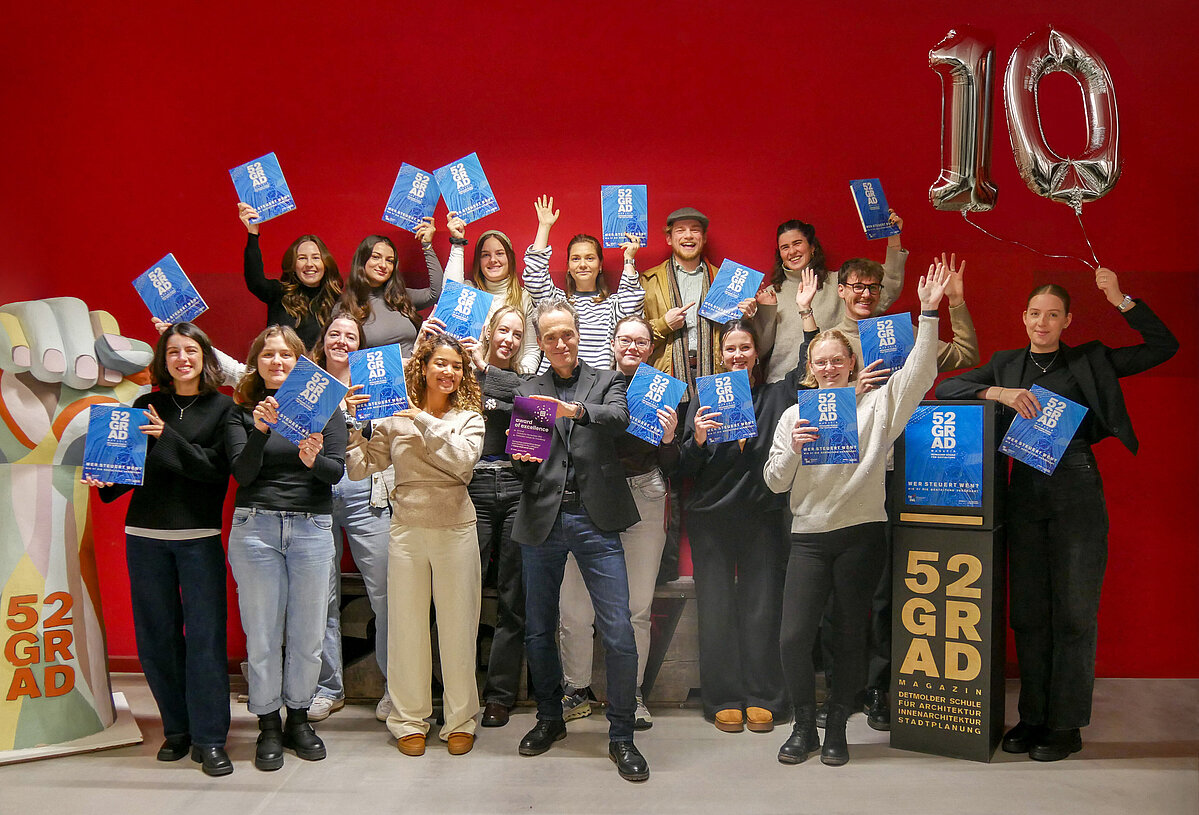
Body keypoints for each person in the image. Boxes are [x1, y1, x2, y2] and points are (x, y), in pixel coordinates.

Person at [935, 268, 1177, 762]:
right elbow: (949, 389)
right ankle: (1032, 716)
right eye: (1035, 314)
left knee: (1072, 611)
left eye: (1053, 315)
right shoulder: (1005, 364)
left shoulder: (1090, 360)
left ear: (1067, 320)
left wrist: (1121, 299)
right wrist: (996, 393)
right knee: (1027, 612)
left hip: (1075, 488)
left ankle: (1065, 724)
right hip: (1022, 491)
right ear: (1023, 319)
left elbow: (1162, 346)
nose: (1042, 323)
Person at [763, 263, 951, 767]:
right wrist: (795, 451)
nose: (828, 369)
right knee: (793, 637)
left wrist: (929, 313)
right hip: (808, 538)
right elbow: (774, 482)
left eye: (836, 361)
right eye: (819, 362)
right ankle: (804, 724)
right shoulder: (793, 415)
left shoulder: (876, 408)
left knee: (851, 634)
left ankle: (837, 727)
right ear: (811, 368)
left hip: (861, 536)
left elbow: (921, 373)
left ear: (851, 364)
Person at [821, 252, 978, 730]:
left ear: (881, 292)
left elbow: (966, 355)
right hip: (847, 478)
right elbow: (813, 411)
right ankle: (839, 690)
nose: (865, 294)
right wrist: (854, 393)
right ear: (842, 291)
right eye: (856, 287)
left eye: (873, 287)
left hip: (899, 473)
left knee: (891, 589)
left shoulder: (902, 335)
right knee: (841, 593)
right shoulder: (829, 344)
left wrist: (955, 302)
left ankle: (881, 689)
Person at [509, 299, 649, 782]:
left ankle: (622, 735)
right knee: (538, 628)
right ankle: (550, 719)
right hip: (542, 520)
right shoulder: (528, 388)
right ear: (542, 343)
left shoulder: (607, 379)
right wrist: (521, 460)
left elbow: (618, 419)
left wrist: (575, 410)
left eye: (566, 333)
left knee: (618, 630)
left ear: (577, 333)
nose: (561, 343)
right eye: (550, 337)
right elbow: (520, 456)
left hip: (595, 519)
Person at [86, 322, 234, 776]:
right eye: (174, 352)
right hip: (145, 536)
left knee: (206, 642)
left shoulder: (222, 408)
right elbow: (131, 470)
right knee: (157, 640)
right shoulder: (145, 404)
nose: (183, 359)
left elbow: (215, 472)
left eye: (191, 350)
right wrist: (106, 481)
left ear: (204, 356)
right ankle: (177, 729)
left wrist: (166, 437)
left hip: (198, 539)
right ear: (163, 359)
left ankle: (210, 738)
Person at [678, 271, 819, 735]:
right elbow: (682, 468)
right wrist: (697, 438)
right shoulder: (702, 396)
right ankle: (722, 697)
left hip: (762, 516)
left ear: (756, 354)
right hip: (710, 518)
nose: (737, 355)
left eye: (745, 348)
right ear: (720, 355)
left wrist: (804, 312)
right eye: (730, 349)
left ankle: (765, 696)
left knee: (763, 607)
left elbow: (810, 370)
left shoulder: (777, 397)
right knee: (716, 608)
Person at [345, 334, 485, 757]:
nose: (449, 372)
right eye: (441, 364)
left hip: (456, 530)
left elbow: (461, 461)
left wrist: (419, 418)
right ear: (422, 368)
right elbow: (359, 468)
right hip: (405, 531)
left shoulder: (469, 418)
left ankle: (461, 720)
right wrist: (353, 426)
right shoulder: (392, 420)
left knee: (459, 629)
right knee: (405, 629)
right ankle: (408, 719)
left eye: (457, 366)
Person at [226, 325, 347, 771]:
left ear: (300, 362)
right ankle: (267, 725)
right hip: (255, 529)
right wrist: (260, 430)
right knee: (261, 636)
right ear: (256, 362)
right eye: (268, 355)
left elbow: (335, 473)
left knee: (308, 634)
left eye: (286, 356)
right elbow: (241, 474)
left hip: (312, 528)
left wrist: (314, 460)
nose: (277, 362)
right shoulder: (241, 412)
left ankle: (298, 717)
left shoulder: (325, 408)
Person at [557, 315, 680, 729]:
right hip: (592, 497)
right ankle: (574, 689)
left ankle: (631, 693)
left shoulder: (663, 391)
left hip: (644, 493)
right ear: (612, 343)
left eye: (641, 341)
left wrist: (667, 439)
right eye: (624, 339)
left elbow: (674, 464)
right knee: (574, 605)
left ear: (651, 348)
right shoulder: (592, 385)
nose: (632, 346)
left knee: (637, 607)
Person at [639, 206, 772, 583]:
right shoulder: (650, 281)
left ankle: (731, 544)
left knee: (717, 466)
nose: (688, 236)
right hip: (666, 387)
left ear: (703, 237)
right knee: (665, 472)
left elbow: (743, 338)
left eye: (695, 230)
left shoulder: (728, 279)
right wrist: (664, 324)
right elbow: (629, 330)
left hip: (716, 388)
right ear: (668, 238)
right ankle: (665, 567)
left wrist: (749, 312)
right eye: (680, 230)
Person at [306, 315, 393, 723]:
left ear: (361, 345)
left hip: (367, 496)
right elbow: (246, 373)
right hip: (316, 497)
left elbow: (389, 438)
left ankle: (397, 688)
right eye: (334, 334)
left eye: (350, 336)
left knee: (387, 595)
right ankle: (328, 688)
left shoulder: (376, 382)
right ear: (322, 342)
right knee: (321, 598)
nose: (341, 341)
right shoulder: (304, 381)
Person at [453, 305, 531, 728]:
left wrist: (489, 376)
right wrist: (479, 374)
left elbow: (529, 402)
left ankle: (500, 696)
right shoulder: (462, 371)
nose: (509, 339)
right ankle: (459, 690)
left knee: (512, 598)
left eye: (517, 335)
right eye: (503, 330)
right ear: (489, 330)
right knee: (462, 594)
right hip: (474, 488)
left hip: (517, 489)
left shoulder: (525, 378)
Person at [762, 215, 907, 383]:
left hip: (832, 384)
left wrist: (894, 238)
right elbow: (761, 349)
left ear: (812, 247)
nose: (792, 251)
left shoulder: (839, 284)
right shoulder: (771, 294)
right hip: (782, 386)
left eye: (797, 243)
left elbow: (887, 288)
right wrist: (766, 310)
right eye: (785, 247)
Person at [522, 195, 645, 370]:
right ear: (568, 266)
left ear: (600, 265)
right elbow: (535, 277)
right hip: (553, 385)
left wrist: (628, 259)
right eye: (575, 259)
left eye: (589, 258)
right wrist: (544, 227)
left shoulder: (612, 305)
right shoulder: (556, 303)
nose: (582, 264)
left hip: (595, 389)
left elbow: (632, 306)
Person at [443, 211, 541, 373]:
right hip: (468, 378)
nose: (493, 260)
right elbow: (449, 291)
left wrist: (520, 381)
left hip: (509, 381)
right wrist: (457, 243)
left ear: (510, 258)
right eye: (485, 255)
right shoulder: (469, 291)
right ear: (478, 262)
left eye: (500, 253)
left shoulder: (524, 297)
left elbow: (531, 348)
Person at [237, 203, 342, 350]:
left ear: (326, 263)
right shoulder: (279, 293)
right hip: (281, 368)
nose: (309, 264)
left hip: (320, 371)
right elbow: (255, 281)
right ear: (293, 266)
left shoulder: (338, 299)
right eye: (302, 258)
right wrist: (253, 233)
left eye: (316, 258)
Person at [337, 222, 444, 354]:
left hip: (414, 372)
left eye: (390, 261)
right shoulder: (346, 306)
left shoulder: (401, 297)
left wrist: (427, 246)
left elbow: (436, 293)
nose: (383, 265)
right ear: (362, 261)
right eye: (376, 257)